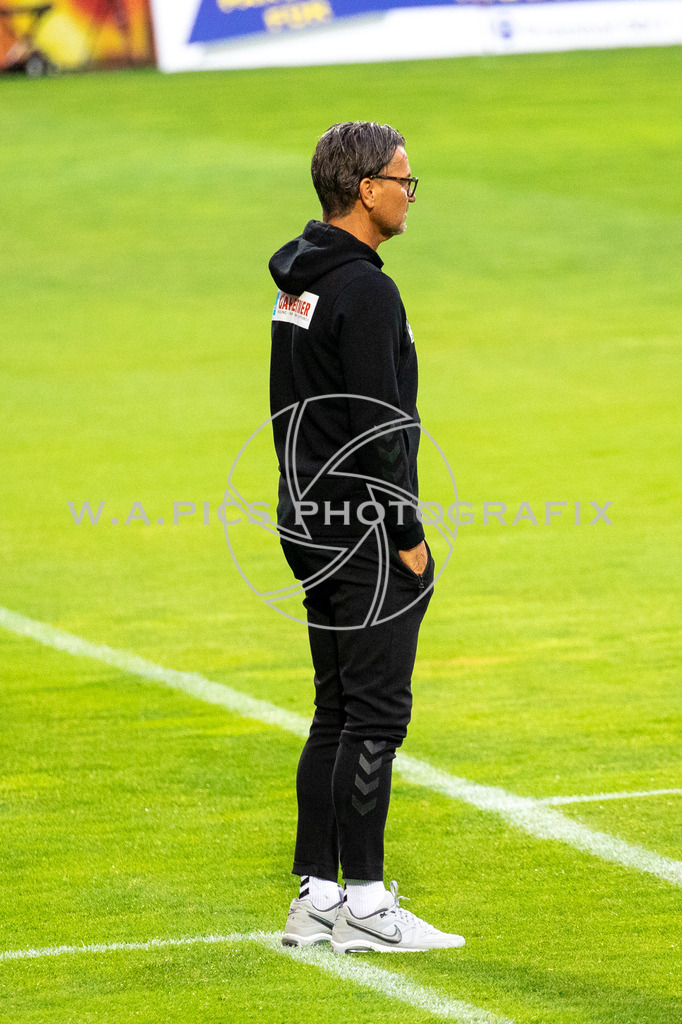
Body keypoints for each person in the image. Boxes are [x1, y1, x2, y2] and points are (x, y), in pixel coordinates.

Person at [268, 121, 464, 954]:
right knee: (376, 717)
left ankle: (316, 899)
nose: (410, 194)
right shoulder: (367, 291)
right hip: (364, 532)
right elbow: (382, 428)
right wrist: (409, 535)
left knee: (336, 710)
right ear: (365, 190)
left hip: (309, 521)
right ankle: (368, 906)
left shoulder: (298, 280)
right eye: (404, 180)